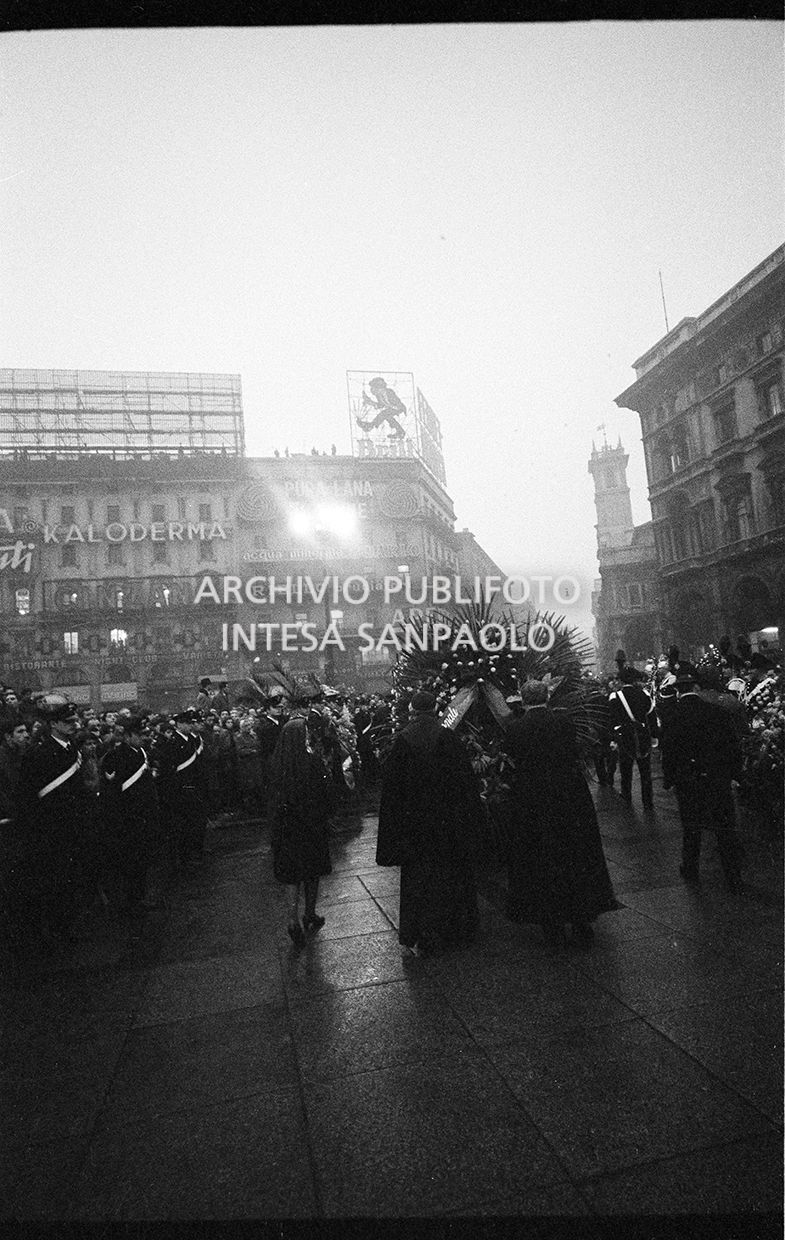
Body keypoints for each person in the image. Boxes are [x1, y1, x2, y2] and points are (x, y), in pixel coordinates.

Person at [502, 680, 617, 952]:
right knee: (575, 856)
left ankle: (551, 926)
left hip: (533, 802)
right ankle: (580, 919)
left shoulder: (515, 729)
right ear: (547, 697)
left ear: (523, 700)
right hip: (569, 798)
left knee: (542, 860)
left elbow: (514, 762)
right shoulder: (564, 723)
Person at [376, 691, 482, 956]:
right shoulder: (448, 737)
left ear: (412, 710)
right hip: (447, 822)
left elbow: (392, 791)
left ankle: (422, 931)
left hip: (415, 825)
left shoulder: (403, 740)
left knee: (419, 880)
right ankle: (454, 929)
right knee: (450, 874)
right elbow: (465, 782)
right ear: (436, 708)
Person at [660, 663, 744, 892]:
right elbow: (732, 746)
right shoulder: (716, 712)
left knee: (691, 826)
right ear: (696, 687)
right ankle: (733, 876)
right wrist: (735, 774)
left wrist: (670, 779)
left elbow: (667, 751)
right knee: (725, 829)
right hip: (716, 778)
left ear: (678, 689)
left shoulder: (671, 715)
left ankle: (690, 867)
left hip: (688, 779)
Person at [269, 714, 333, 945]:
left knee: (291, 877)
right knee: (312, 872)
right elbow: (325, 793)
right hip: (311, 826)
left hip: (286, 828)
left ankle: (292, 920)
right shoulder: (311, 762)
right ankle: (310, 913)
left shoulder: (276, 764)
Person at [101, 715, 163, 914]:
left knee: (143, 859)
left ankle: (140, 896)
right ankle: (130, 901)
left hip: (145, 815)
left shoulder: (142, 753)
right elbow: (113, 791)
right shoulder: (115, 757)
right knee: (130, 861)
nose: (143, 737)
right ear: (127, 736)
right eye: (139, 734)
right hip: (128, 817)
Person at [608, 668, 658, 809]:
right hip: (643, 736)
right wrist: (654, 736)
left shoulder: (615, 697)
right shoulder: (644, 694)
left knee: (625, 769)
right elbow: (651, 717)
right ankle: (648, 801)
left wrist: (613, 738)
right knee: (645, 771)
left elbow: (612, 720)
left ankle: (626, 795)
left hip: (625, 737)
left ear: (621, 680)